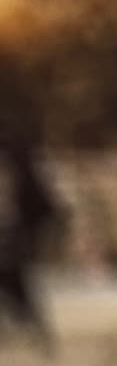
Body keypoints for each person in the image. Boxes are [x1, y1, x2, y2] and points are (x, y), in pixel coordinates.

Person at [0, 140, 61, 347]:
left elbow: (39, 206)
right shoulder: (17, 163)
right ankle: (33, 328)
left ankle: (35, 329)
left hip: (12, 237)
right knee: (14, 283)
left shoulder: (17, 165)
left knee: (14, 281)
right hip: (14, 236)